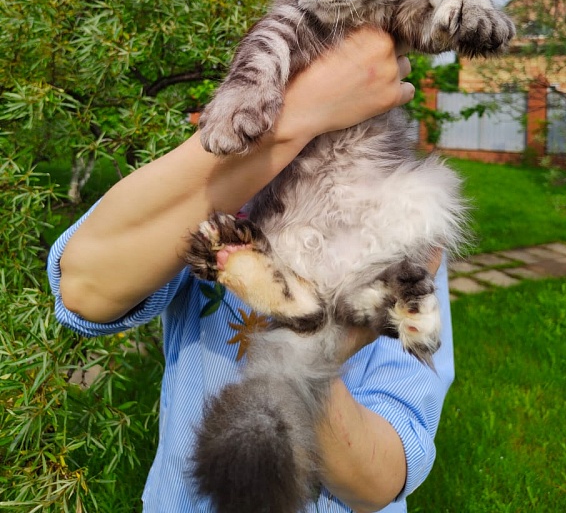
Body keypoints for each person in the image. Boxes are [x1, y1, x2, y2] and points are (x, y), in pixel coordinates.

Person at [48, 26, 454, 513]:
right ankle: (299, 305)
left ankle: (302, 312)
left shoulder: (401, 216)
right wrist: (299, 114)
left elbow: (381, 479)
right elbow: (84, 288)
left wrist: (326, 352)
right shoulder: (220, 181)